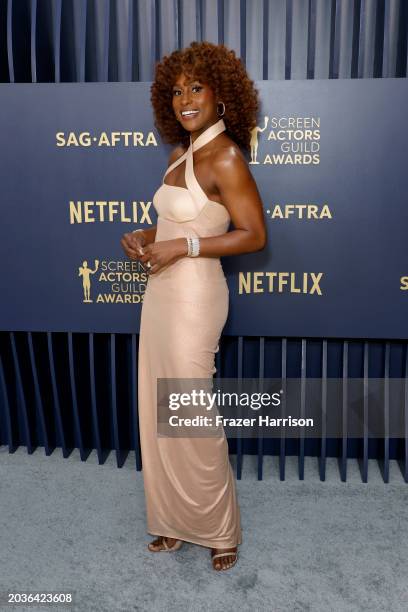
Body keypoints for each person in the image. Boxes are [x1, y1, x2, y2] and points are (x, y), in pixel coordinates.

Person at [121, 41, 266, 571]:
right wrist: (144, 236)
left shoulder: (224, 154)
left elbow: (253, 235)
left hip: (195, 296)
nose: (185, 99)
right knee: (157, 409)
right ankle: (173, 522)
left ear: (220, 95)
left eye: (196, 88)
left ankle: (220, 527)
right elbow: (178, 221)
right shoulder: (179, 153)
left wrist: (182, 247)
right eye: (177, 90)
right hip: (160, 294)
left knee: (188, 411)